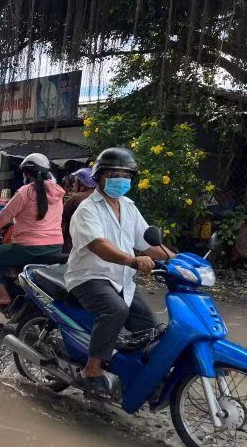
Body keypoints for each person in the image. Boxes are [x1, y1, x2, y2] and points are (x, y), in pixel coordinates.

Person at [65, 147, 175, 399]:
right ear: (100, 177)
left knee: (149, 326)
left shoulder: (128, 206)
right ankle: (91, 371)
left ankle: (136, 374)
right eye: (114, 174)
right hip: (89, 276)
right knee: (115, 310)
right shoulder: (87, 209)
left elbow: (148, 243)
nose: (120, 180)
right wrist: (133, 260)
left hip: (121, 278)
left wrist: (176, 259)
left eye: (126, 176)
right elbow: (99, 246)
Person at [0, 153, 65, 307]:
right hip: (56, 246)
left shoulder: (25, 192)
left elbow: (3, 218)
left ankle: (3, 295)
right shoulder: (58, 192)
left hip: (29, 248)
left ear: (27, 174)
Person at [61, 167, 97, 252]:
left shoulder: (75, 198)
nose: (73, 184)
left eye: (75, 181)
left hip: (73, 243)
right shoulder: (101, 197)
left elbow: (62, 220)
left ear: (82, 183)